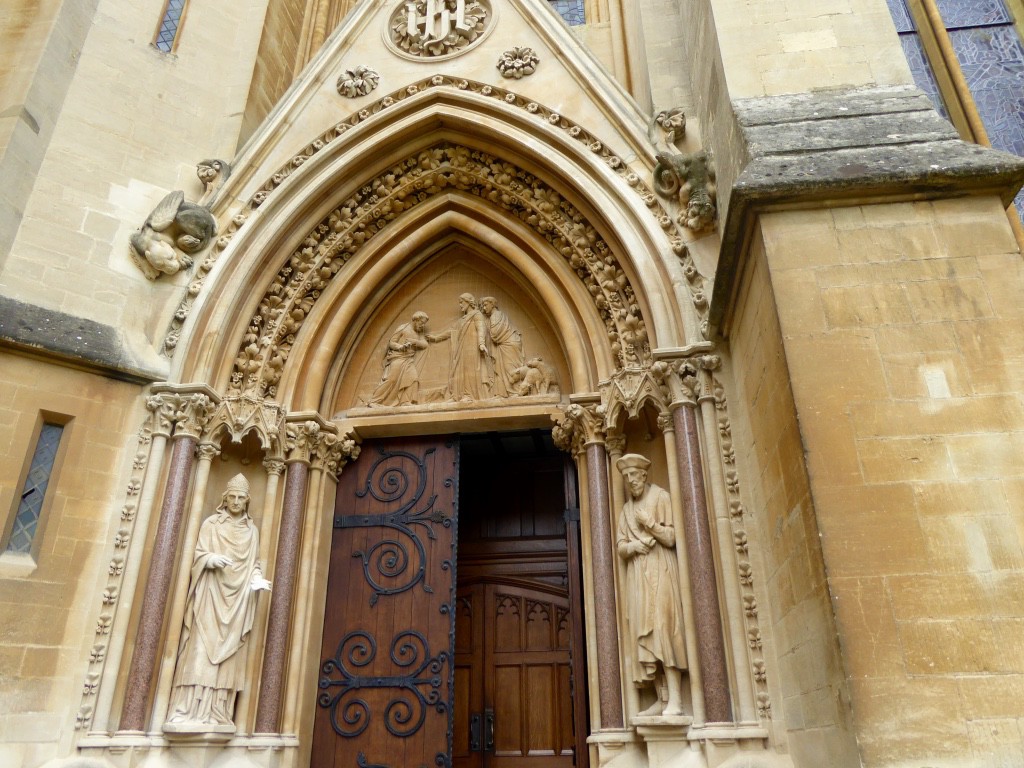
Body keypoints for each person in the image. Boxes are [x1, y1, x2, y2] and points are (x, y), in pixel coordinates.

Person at [165, 474, 271, 732]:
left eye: (240, 498)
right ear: (225, 498)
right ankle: (188, 709)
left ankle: (219, 711)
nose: (235, 502)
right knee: (199, 651)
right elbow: (199, 553)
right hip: (210, 596)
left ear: (247, 501)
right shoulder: (211, 524)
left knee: (229, 658)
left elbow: (254, 563)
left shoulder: (252, 531)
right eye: (232, 497)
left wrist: (256, 579)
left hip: (237, 604)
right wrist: (209, 560)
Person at [615, 454, 687, 717]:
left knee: (664, 629)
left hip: (661, 570)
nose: (630, 481)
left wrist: (651, 525)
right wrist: (634, 545)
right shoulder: (626, 510)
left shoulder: (661, 497)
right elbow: (621, 546)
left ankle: (677, 700)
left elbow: (671, 538)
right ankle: (662, 697)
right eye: (626, 477)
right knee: (643, 633)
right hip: (638, 575)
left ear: (644, 476)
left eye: (634, 475)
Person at [427, 293, 492, 401]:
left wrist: (481, 343)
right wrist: (436, 338)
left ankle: (469, 395)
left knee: (469, 370)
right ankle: (457, 395)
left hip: (472, 348)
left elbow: (481, 328)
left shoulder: (477, 314)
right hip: (461, 348)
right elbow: (451, 331)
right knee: (458, 369)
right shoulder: (462, 319)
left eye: (462, 302)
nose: (460, 305)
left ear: (469, 302)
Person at [368, 311, 431, 406]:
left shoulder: (419, 332)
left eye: (424, 324)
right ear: (415, 320)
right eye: (421, 323)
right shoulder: (403, 328)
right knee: (391, 380)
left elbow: (425, 344)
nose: (422, 326)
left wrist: (414, 341)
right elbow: (392, 343)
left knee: (413, 378)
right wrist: (401, 347)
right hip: (398, 357)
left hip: (408, 359)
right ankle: (374, 401)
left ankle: (405, 401)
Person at [480, 296, 524, 397]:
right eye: (482, 306)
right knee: (501, 369)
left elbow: (495, 334)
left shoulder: (496, 315)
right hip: (508, 343)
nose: (484, 308)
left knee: (510, 368)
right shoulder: (498, 315)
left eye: (486, 305)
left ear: (492, 304)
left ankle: (516, 391)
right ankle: (503, 392)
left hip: (508, 344)